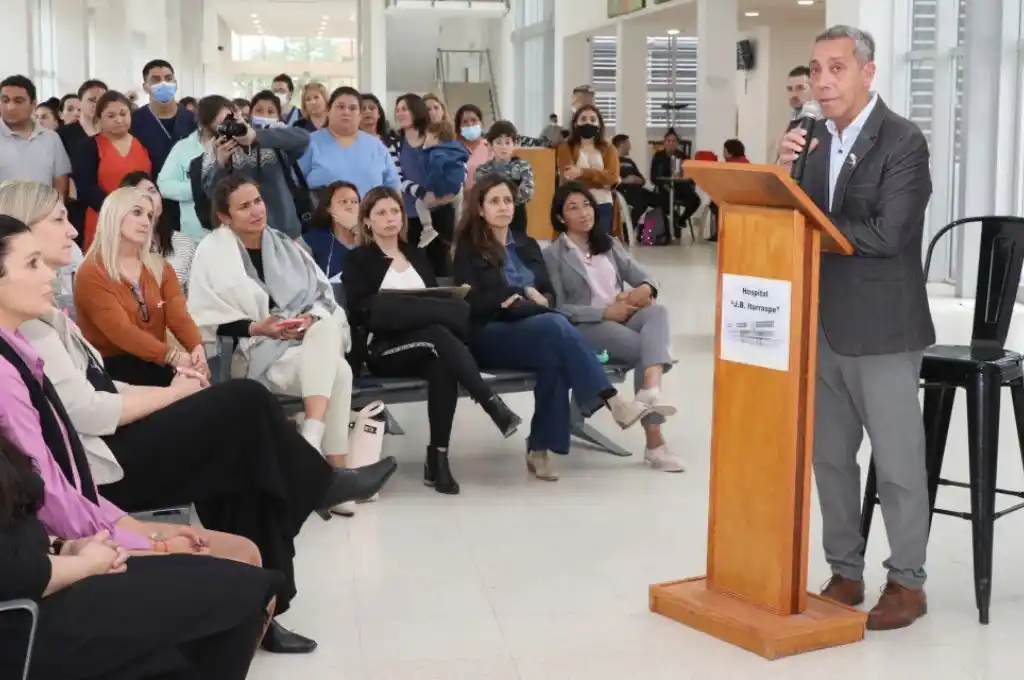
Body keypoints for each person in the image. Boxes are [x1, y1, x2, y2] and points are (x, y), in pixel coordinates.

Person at [0, 182, 398, 653]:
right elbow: (89, 407)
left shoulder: (129, 276)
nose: (72, 230)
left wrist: (187, 362)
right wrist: (175, 385)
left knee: (244, 460)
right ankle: (316, 485)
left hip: (117, 425)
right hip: (106, 458)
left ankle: (265, 599)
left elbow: (156, 341)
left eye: (149, 214)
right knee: (244, 404)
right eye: (58, 221)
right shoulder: (53, 303)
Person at [778, 25, 933, 630]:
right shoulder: (810, 139)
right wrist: (783, 174)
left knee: (896, 463)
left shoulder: (902, 140)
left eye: (837, 68)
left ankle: (908, 582)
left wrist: (811, 223)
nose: (822, 81)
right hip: (821, 323)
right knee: (830, 459)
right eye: (816, 69)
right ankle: (845, 571)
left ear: (868, 73)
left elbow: (888, 234)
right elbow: (787, 218)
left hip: (883, 328)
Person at [0, 431, 284, 680]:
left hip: (46, 574)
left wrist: (64, 546)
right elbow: (15, 572)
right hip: (26, 621)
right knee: (239, 597)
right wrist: (89, 562)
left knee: (237, 584)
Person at [452, 175, 664, 481]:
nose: (503, 207)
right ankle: (612, 400)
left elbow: (549, 294)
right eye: (494, 201)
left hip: (535, 327)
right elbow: (469, 299)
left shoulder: (526, 244)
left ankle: (539, 448)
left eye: (508, 200)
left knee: (553, 358)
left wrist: (538, 299)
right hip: (490, 333)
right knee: (555, 325)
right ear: (480, 209)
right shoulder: (469, 249)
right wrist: (519, 294)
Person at [345, 186, 523, 495]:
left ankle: (438, 457)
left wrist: (413, 309)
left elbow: (437, 300)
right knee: (438, 330)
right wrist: (422, 310)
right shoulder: (359, 259)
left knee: (442, 362)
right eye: (381, 213)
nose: (390, 218)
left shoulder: (416, 254)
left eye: (395, 211)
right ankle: (489, 401)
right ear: (367, 221)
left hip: (427, 344)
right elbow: (366, 312)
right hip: (384, 349)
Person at [188, 176, 359, 477]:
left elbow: (322, 297)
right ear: (224, 217)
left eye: (258, 201)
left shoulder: (285, 245)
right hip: (252, 352)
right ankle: (335, 471)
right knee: (340, 372)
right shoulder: (211, 252)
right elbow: (206, 318)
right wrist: (260, 328)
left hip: (303, 347)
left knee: (324, 327)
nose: (256, 210)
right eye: (244, 206)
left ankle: (313, 441)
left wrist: (307, 320)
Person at [544, 182, 682, 472]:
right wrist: (605, 312)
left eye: (587, 205)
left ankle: (649, 391)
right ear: (560, 217)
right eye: (573, 208)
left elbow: (647, 276)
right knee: (648, 350)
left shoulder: (608, 244)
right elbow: (558, 308)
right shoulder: (553, 255)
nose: (584, 212)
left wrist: (646, 288)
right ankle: (655, 442)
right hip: (588, 326)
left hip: (625, 316)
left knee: (657, 313)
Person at [72, 186, 203, 387]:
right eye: (137, 212)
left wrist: (197, 348)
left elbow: (178, 315)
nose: (146, 222)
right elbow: (120, 331)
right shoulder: (91, 272)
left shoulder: (159, 267)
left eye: (149, 216)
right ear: (114, 215)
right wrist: (172, 356)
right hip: (112, 372)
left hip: (156, 364)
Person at [200, 90, 310, 241]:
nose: (230, 126)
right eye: (222, 126)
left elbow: (303, 139)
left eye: (230, 118)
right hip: (244, 235)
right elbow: (212, 193)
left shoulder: (268, 130)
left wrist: (255, 137)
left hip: (284, 230)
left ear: (237, 112)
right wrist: (220, 164)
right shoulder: (214, 149)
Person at [71, 90, 152, 249]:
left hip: (141, 217)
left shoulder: (143, 143)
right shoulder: (89, 147)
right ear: (99, 119)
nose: (119, 120)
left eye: (123, 114)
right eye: (111, 116)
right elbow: (85, 188)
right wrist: (118, 212)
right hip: (104, 218)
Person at [391, 94, 459, 276]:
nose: (399, 113)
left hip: (441, 209)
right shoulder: (395, 143)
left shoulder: (435, 138)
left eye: (404, 109)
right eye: (397, 110)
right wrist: (421, 192)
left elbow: (456, 165)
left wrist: (445, 192)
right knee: (416, 267)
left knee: (443, 266)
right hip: (411, 214)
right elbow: (397, 177)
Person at [297, 86, 400, 199]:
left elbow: (394, 190)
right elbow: (294, 186)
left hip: (370, 210)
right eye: (340, 107)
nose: (346, 112)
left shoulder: (377, 146)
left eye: (352, 108)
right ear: (328, 111)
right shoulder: (309, 144)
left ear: (360, 115)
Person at [158, 94, 232, 243]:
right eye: (223, 121)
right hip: (194, 234)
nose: (228, 125)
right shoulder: (183, 147)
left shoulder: (236, 146)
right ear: (205, 121)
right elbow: (164, 185)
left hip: (232, 231)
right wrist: (198, 189)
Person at [120, 171, 197, 288]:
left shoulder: (184, 243)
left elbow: (194, 293)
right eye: (140, 194)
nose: (149, 198)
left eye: (152, 191)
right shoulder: (119, 248)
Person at [0, 75, 72, 197]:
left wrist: (58, 206)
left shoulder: (51, 139)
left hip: (44, 208)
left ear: (33, 104)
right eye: (5, 100)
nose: (10, 107)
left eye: (18, 101)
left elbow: (60, 183)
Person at [556, 105, 619, 237]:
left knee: (601, 242)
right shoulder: (566, 147)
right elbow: (568, 177)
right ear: (575, 124)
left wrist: (581, 172)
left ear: (599, 124)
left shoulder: (609, 148)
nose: (588, 123)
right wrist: (602, 180)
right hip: (575, 204)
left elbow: (612, 177)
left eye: (593, 119)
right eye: (583, 119)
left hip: (602, 203)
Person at [129, 59, 196, 176]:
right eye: (156, 80)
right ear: (145, 87)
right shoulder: (134, 121)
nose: (163, 83)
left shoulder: (192, 119)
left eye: (168, 78)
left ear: (176, 84)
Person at [414, 119, 469, 248]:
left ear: (435, 136)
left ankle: (428, 229)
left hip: (444, 188)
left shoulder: (437, 153)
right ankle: (459, 234)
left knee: (420, 204)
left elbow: (436, 171)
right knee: (458, 212)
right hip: (458, 189)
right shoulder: (457, 148)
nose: (425, 139)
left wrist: (428, 187)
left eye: (427, 136)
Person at [475, 120, 534, 235]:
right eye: (498, 143)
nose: (503, 147)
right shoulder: (482, 170)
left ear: (514, 144)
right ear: (490, 145)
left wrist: (501, 200)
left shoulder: (522, 166)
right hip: (490, 218)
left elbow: (528, 192)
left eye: (507, 142)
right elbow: (480, 196)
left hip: (516, 217)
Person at [304, 180, 361, 281]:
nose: (349, 207)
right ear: (329, 208)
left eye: (354, 202)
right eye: (343, 202)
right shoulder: (311, 241)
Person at [454, 104, 490, 194]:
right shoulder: (454, 149)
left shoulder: (490, 147)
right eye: (465, 122)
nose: (470, 125)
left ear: (481, 123)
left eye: (474, 120)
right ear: (459, 127)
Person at [786, 65, 813, 130]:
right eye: (790, 89)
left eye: (800, 88)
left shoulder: (824, 123)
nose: (793, 94)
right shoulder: (793, 118)